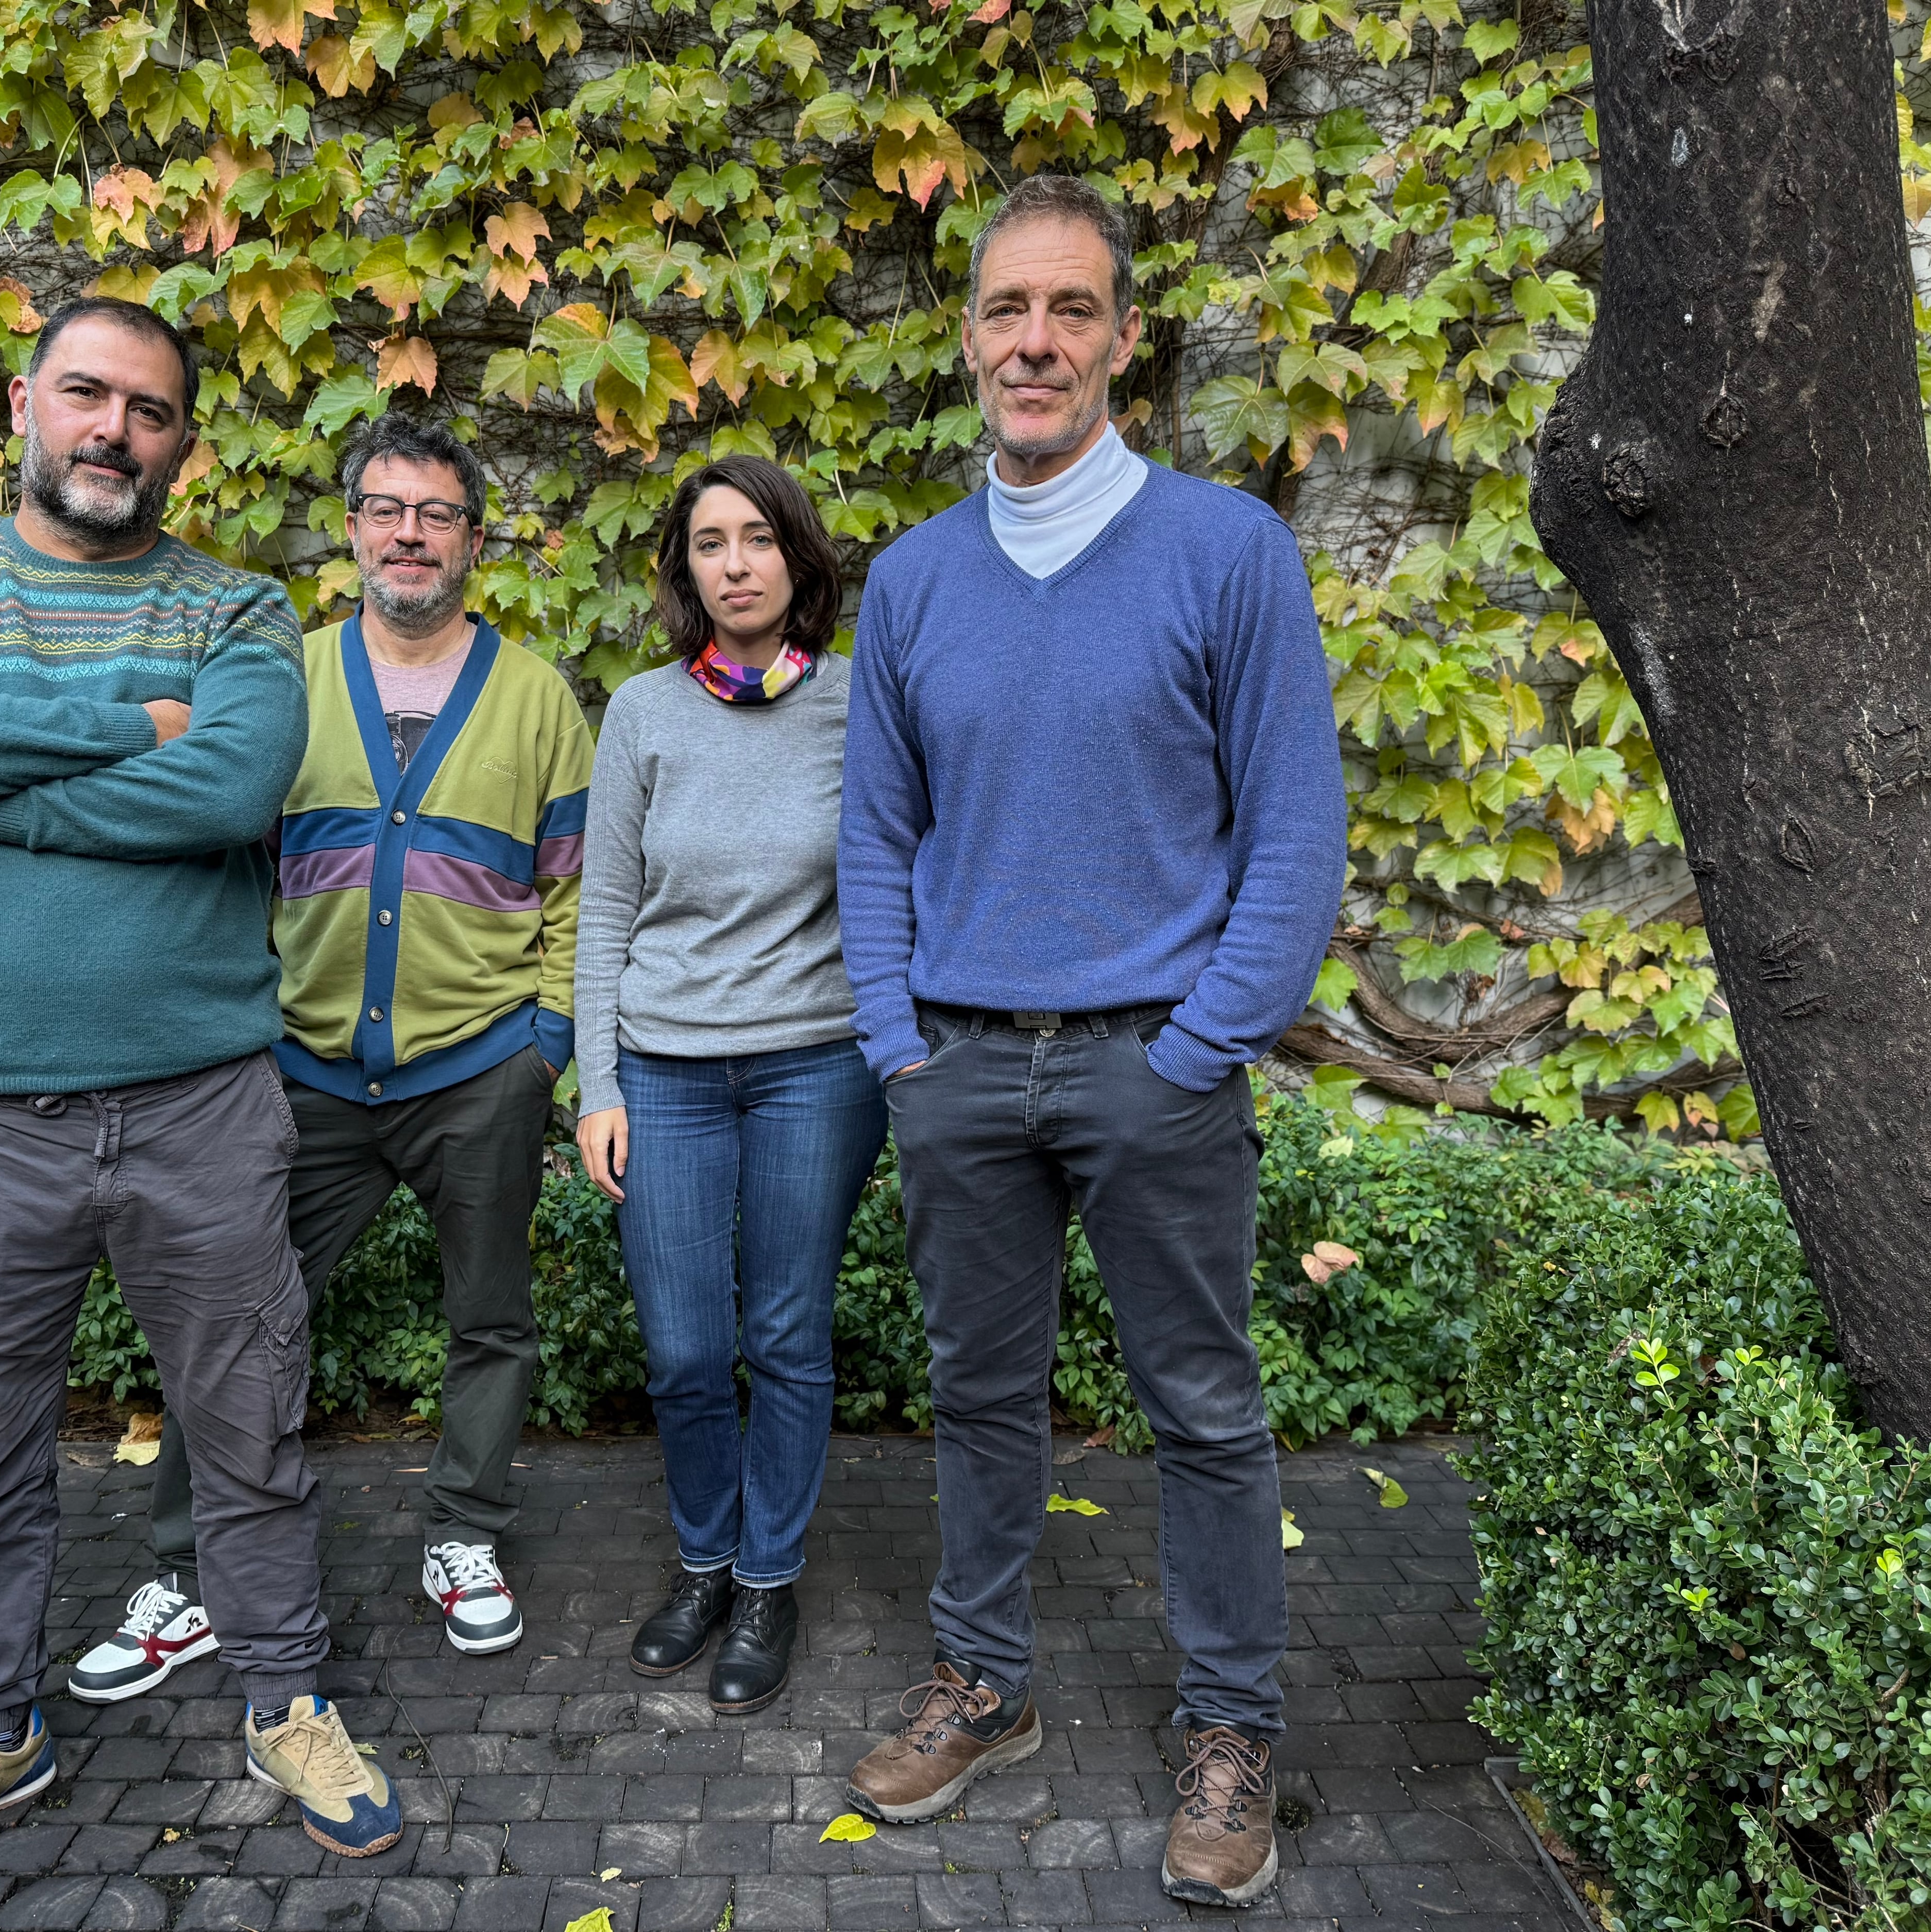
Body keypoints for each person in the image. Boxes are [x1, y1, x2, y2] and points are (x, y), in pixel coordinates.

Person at [0, 298, 398, 1896]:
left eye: (148, 410)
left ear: (182, 442)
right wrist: (116, 733)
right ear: (25, 400)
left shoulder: (237, 607)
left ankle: (284, 1695)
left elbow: (228, 782)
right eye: (86, 394)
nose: (112, 431)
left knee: (251, 1414)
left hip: (202, 1098)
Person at [835, 175, 1347, 1908]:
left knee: (1202, 1405)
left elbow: (1293, 829)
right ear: (968, 337)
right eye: (1006, 310)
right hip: (962, 1066)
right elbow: (876, 831)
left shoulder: (1227, 550)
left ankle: (1230, 1729)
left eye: (1071, 310)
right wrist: (896, 1035)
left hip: (1154, 1061)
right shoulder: (908, 583)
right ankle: (985, 1683)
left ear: (1125, 336)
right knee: (979, 1397)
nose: (1035, 341)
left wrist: (1204, 1044)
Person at [86, 413, 592, 1674]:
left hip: (482, 1070)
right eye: (385, 508)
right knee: (240, 1323)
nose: (409, 534)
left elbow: (581, 888)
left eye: (436, 514)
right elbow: (218, 860)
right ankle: (190, 1572)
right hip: (304, 1070)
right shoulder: (283, 680)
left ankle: (464, 1534)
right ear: (351, 528)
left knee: (492, 1319)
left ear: (472, 538)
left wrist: (547, 1042)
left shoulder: (536, 697)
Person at [572, 456, 884, 1714]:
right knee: (687, 1345)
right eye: (711, 543)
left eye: (759, 538)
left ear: (799, 562)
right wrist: (598, 1083)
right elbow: (603, 909)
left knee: (785, 1338)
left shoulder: (861, 705)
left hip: (818, 1064)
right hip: (665, 1070)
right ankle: (701, 1561)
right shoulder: (642, 713)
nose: (737, 563)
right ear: (685, 570)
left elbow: (895, 881)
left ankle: (768, 1577)